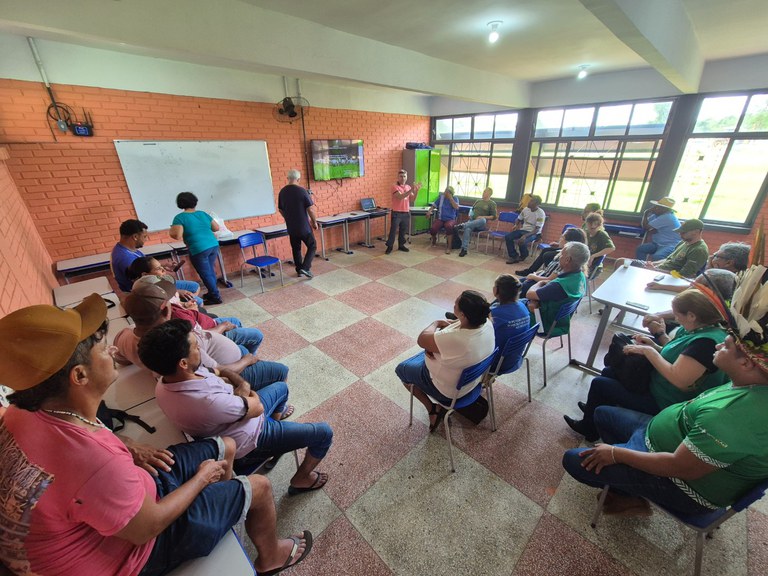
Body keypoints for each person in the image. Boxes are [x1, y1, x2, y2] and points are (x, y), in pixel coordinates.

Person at [0, 294, 313, 576]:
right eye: (100, 347)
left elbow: (77, 462)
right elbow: (146, 528)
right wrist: (201, 480)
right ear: (79, 375)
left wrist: (129, 444)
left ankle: (223, 508)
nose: (111, 349)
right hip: (132, 553)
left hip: (120, 501)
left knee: (226, 445)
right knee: (259, 486)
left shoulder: (20, 412)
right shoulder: (93, 460)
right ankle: (270, 556)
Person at [562, 266, 768, 518]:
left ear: (746, 362)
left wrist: (616, 454)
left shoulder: (732, 419)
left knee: (573, 460)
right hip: (663, 433)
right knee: (603, 413)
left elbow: (679, 467)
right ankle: (625, 483)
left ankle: (631, 493)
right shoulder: (749, 384)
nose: (718, 344)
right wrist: (658, 337)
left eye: (725, 346)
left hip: (681, 483)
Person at [138, 319, 333, 492]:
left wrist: (244, 385)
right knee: (324, 433)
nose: (200, 350)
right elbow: (257, 407)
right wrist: (245, 392)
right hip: (250, 440)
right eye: (196, 348)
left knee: (281, 388)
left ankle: (278, 440)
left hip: (238, 416)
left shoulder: (166, 382)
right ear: (182, 362)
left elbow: (218, 370)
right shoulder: (207, 402)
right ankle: (301, 478)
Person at [565, 289, 728, 442]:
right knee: (609, 371)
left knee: (599, 384)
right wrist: (654, 344)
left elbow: (680, 380)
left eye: (678, 315)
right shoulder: (697, 330)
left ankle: (589, 428)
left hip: (665, 400)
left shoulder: (706, 344)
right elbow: (679, 354)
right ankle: (594, 411)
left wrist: (650, 352)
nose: (676, 319)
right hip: (658, 384)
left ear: (692, 316)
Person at [115, 280, 289, 393]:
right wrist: (247, 361)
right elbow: (218, 372)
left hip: (223, 357)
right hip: (231, 375)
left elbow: (121, 359)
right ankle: (272, 414)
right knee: (281, 371)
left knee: (243, 347)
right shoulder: (179, 343)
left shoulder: (125, 335)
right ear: (165, 308)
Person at [396, 290, 496, 431]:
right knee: (428, 350)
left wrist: (436, 323)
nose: (453, 304)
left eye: (456, 303)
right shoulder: (487, 324)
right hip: (473, 382)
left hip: (448, 391)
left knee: (401, 370)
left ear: (463, 315)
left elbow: (422, 339)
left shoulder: (458, 339)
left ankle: (433, 409)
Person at [110, 218, 200, 297]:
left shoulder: (127, 249)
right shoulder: (125, 259)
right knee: (196, 298)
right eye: (144, 236)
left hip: (153, 284)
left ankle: (190, 302)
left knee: (194, 288)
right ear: (135, 237)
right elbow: (145, 286)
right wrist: (175, 292)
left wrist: (163, 266)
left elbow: (145, 267)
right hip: (146, 291)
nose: (146, 239)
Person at [516, 202, 601, 275]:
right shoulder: (585, 225)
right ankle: (531, 271)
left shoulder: (598, 229)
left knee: (548, 255)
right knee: (546, 250)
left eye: (586, 211)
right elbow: (578, 242)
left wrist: (593, 256)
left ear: (593, 213)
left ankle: (550, 274)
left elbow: (610, 248)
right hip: (574, 250)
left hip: (578, 255)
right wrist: (560, 245)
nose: (583, 213)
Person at [169, 192, 222, 305]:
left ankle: (215, 297)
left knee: (206, 273)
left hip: (198, 249)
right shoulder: (203, 214)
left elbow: (177, 235)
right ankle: (212, 292)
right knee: (210, 270)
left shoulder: (180, 217)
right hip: (213, 245)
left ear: (180, 203)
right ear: (195, 201)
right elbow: (216, 228)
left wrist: (172, 230)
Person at [525, 241, 589, 335]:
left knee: (506, 308)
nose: (559, 256)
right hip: (560, 323)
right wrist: (534, 301)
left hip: (542, 323)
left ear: (567, 260)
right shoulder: (580, 276)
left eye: (561, 254)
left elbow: (529, 294)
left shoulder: (558, 286)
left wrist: (540, 282)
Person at [616, 219, 709, 278]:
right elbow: (669, 259)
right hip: (658, 268)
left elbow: (684, 275)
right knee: (621, 261)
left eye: (683, 233)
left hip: (665, 275)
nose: (680, 235)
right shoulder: (684, 242)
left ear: (696, 232)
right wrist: (652, 264)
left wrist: (655, 270)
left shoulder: (699, 250)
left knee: (623, 265)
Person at [645, 242, 750, 294]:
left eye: (716, 256)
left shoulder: (723, 280)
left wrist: (662, 286)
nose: (711, 258)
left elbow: (694, 288)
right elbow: (696, 286)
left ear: (728, 263)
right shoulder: (738, 276)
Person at [519, 228, 588, 297]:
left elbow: (532, 293)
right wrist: (535, 274)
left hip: (540, 283)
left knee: (514, 288)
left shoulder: (562, 266)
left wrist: (534, 277)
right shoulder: (575, 268)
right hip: (540, 278)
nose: (559, 239)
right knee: (514, 283)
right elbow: (547, 271)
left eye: (562, 237)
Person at [277, 169, 318, 279]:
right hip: (304, 227)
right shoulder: (302, 191)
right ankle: (305, 267)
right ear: (298, 179)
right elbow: (310, 209)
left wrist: (288, 218)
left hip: (291, 227)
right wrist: (314, 222)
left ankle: (299, 270)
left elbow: (280, 209)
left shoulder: (282, 192)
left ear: (288, 178)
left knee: (296, 248)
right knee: (312, 246)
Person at [385, 169, 421, 254]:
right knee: (393, 231)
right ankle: (389, 246)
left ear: (406, 177)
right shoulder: (394, 187)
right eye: (401, 176)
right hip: (396, 213)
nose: (403, 178)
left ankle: (401, 245)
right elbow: (400, 197)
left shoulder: (408, 187)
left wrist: (416, 191)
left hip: (405, 212)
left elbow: (412, 199)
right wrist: (411, 190)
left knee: (403, 231)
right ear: (398, 177)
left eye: (404, 176)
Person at [489, 274, 531, 345]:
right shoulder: (523, 306)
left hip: (498, 353)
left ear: (495, 290)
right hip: (516, 352)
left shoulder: (494, 314)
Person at [635, 196, 681, 261]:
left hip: (670, 245)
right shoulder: (658, 215)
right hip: (658, 243)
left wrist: (646, 213)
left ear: (664, 209)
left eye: (657, 207)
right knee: (641, 249)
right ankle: (641, 266)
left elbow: (646, 226)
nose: (654, 208)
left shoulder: (667, 217)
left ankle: (655, 270)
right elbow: (643, 224)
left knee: (657, 256)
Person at [456, 187, 498, 257]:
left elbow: (494, 217)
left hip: (481, 223)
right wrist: (470, 214)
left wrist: (483, 217)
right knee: (467, 229)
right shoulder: (478, 201)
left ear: (489, 194)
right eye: (483, 191)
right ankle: (464, 249)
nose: (483, 192)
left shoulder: (492, 203)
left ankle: (462, 225)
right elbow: (472, 209)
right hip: (472, 221)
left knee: (482, 220)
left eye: (485, 192)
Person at [505, 194, 545, 264]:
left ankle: (524, 255)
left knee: (522, 241)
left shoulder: (541, 213)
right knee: (508, 237)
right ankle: (514, 256)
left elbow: (537, 229)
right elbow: (519, 219)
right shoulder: (525, 209)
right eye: (530, 201)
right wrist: (515, 225)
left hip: (534, 232)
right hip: (523, 229)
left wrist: (525, 236)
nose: (529, 202)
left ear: (537, 204)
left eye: (532, 201)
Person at [427, 185, 460, 255]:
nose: (445, 193)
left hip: (451, 219)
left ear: (451, 193)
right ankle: (434, 238)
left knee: (449, 226)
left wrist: (451, 199)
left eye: (447, 192)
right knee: (433, 228)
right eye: (445, 191)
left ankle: (449, 246)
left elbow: (456, 207)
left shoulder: (455, 198)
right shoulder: (441, 198)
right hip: (441, 218)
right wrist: (429, 211)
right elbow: (433, 206)